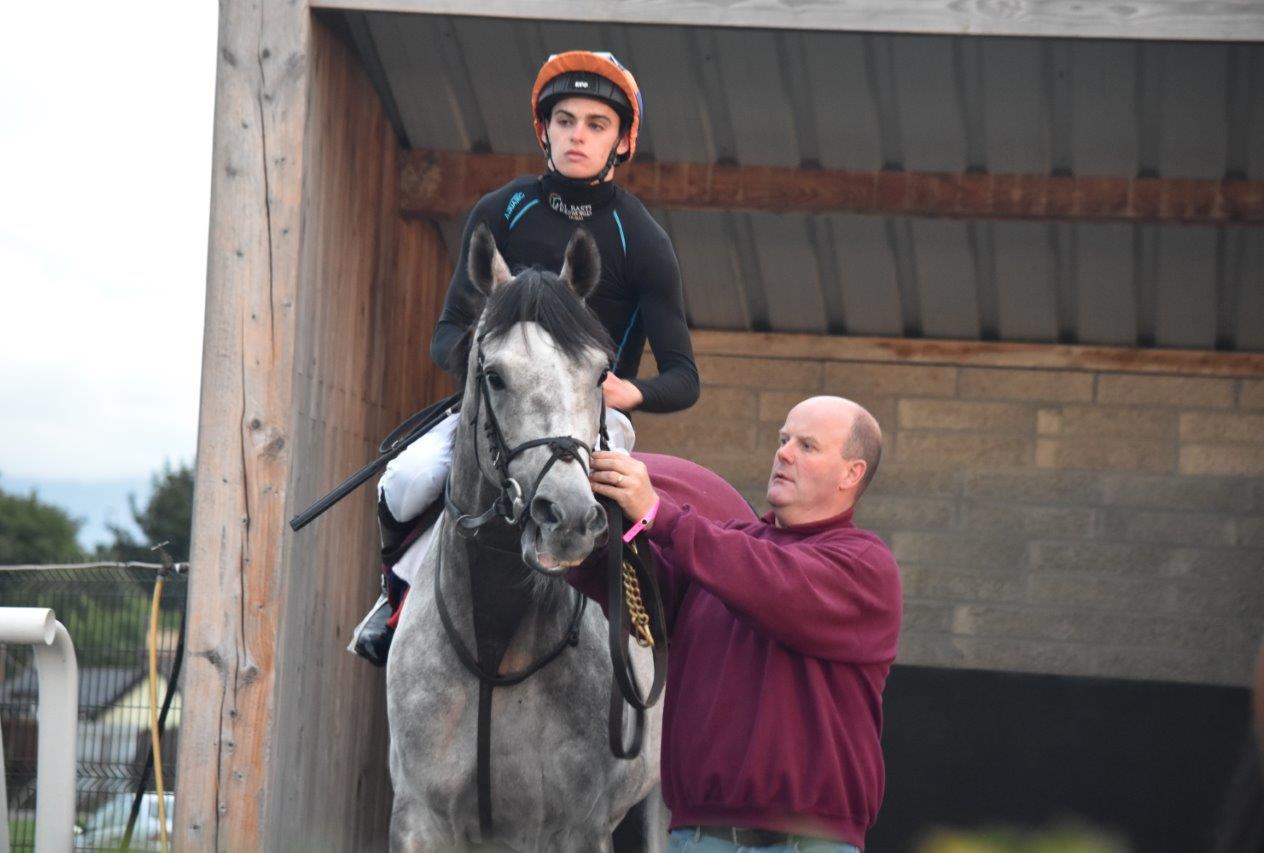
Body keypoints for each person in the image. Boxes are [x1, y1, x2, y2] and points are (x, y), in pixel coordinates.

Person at [351, 50, 700, 665]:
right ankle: (396, 599)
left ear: (621, 141)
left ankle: (643, 639)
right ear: (545, 130)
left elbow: (684, 377)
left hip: (590, 416)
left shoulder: (641, 237)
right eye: (566, 120)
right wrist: (492, 380)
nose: (579, 135)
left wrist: (626, 392)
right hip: (499, 403)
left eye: (597, 124)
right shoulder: (500, 210)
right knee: (406, 479)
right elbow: (448, 333)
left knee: (613, 507)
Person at [577, 396, 902, 852]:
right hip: (696, 837)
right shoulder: (726, 550)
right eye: (783, 439)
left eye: (807, 446)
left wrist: (657, 512)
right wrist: (579, 538)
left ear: (852, 473)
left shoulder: (864, 565)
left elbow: (771, 584)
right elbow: (644, 596)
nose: (784, 453)